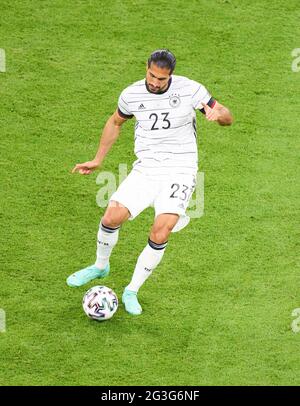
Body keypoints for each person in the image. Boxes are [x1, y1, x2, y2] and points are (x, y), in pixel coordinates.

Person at [67, 49, 233, 315]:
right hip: (146, 169)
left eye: (162, 79)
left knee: (161, 230)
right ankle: (100, 266)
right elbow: (115, 121)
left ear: (171, 76)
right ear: (146, 69)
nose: (155, 82)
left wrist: (219, 115)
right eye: (152, 76)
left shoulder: (191, 90)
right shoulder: (131, 94)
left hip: (180, 170)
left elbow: (226, 115)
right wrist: (98, 159)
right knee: (111, 217)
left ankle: (132, 290)